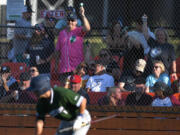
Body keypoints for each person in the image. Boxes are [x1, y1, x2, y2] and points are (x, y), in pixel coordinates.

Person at [54, 5, 90, 85]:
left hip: (77, 68)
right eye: (68, 20)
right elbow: (57, 50)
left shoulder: (79, 31)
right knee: (65, 91)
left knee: (76, 90)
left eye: (72, 20)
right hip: (64, 69)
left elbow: (87, 28)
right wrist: (56, 64)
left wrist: (83, 15)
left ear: (76, 22)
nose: (70, 22)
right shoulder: (61, 33)